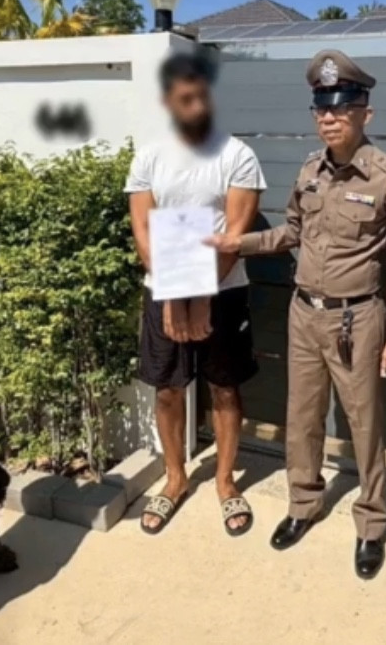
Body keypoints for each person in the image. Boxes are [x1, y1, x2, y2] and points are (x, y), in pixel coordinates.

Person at [207, 49, 386, 580]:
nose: (329, 117)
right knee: (301, 418)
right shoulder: (308, 170)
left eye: (341, 107)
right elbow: (292, 234)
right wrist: (239, 242)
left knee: (364, 424)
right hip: (304, 313)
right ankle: (304, 504)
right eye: (322, 108)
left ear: (365, 113)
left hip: (357, 319)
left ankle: (371, 524)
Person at [125, 51, 267, 537]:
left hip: (223, 292)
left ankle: (226, 482)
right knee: (168, 389)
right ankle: (175, 478)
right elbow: (144, 230)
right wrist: (174, 296)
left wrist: (203, 295)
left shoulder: (237, 155)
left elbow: (236, 232)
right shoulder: (149, 157)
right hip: (164, 291)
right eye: (183, 96)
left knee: (225, 387)